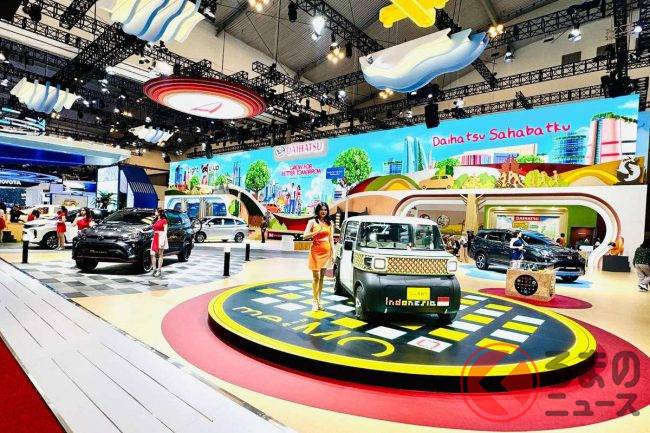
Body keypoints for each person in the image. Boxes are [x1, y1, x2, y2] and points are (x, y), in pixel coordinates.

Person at [303, 202, 334, 311]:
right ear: (318, 210)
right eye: (321, 209)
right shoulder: (312, 222)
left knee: (321, 278)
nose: (323, 211)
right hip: (315, 252)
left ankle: (320, 300)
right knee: (316, 277)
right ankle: (314, 301)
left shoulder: (330, 223)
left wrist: (333, 253)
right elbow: (304, 236)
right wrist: (316, 231)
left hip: (326, 252)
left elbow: (331, 239)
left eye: (325, 210)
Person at [151, 209, 168, 277]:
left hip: (161, 237)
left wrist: (162, 241)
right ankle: (154, 269)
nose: (155, 212)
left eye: (156, 211)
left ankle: (159, 270)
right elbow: (153, 229)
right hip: (155, 237)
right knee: (152, 254)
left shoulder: (164, 220)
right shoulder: (155, 220)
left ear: (159, 212)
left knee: (160, 254)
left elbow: (165, 231)